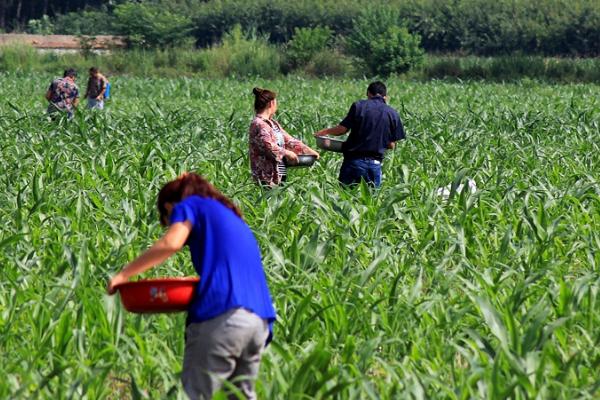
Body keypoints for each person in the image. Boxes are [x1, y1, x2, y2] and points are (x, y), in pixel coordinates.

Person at [107, 173, 276, 400]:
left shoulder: (189, 205)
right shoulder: (229, 215)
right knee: (240, 396)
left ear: (169, 206)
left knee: (195, 394)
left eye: (167, 217)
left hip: (224, 315)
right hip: (259, 321)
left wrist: (124, 275)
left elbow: (171, 242)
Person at [314, 81, 405, 187]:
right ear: (385, 97)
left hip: (354, 162)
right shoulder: (393, 114)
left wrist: (324, 132)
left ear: (368, 93)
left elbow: (342, 130)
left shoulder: (359, 106)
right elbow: (391, 145)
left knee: (345, 198)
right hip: (374, 165)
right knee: (371, 201)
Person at [248, 87, 319, 187]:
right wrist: (287, 153)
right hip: (266, 176)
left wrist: (309, 151)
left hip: (278, 173)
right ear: (271, 103)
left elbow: (289, 140)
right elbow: (267, 146)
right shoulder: (259, 124)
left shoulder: (272, 123)